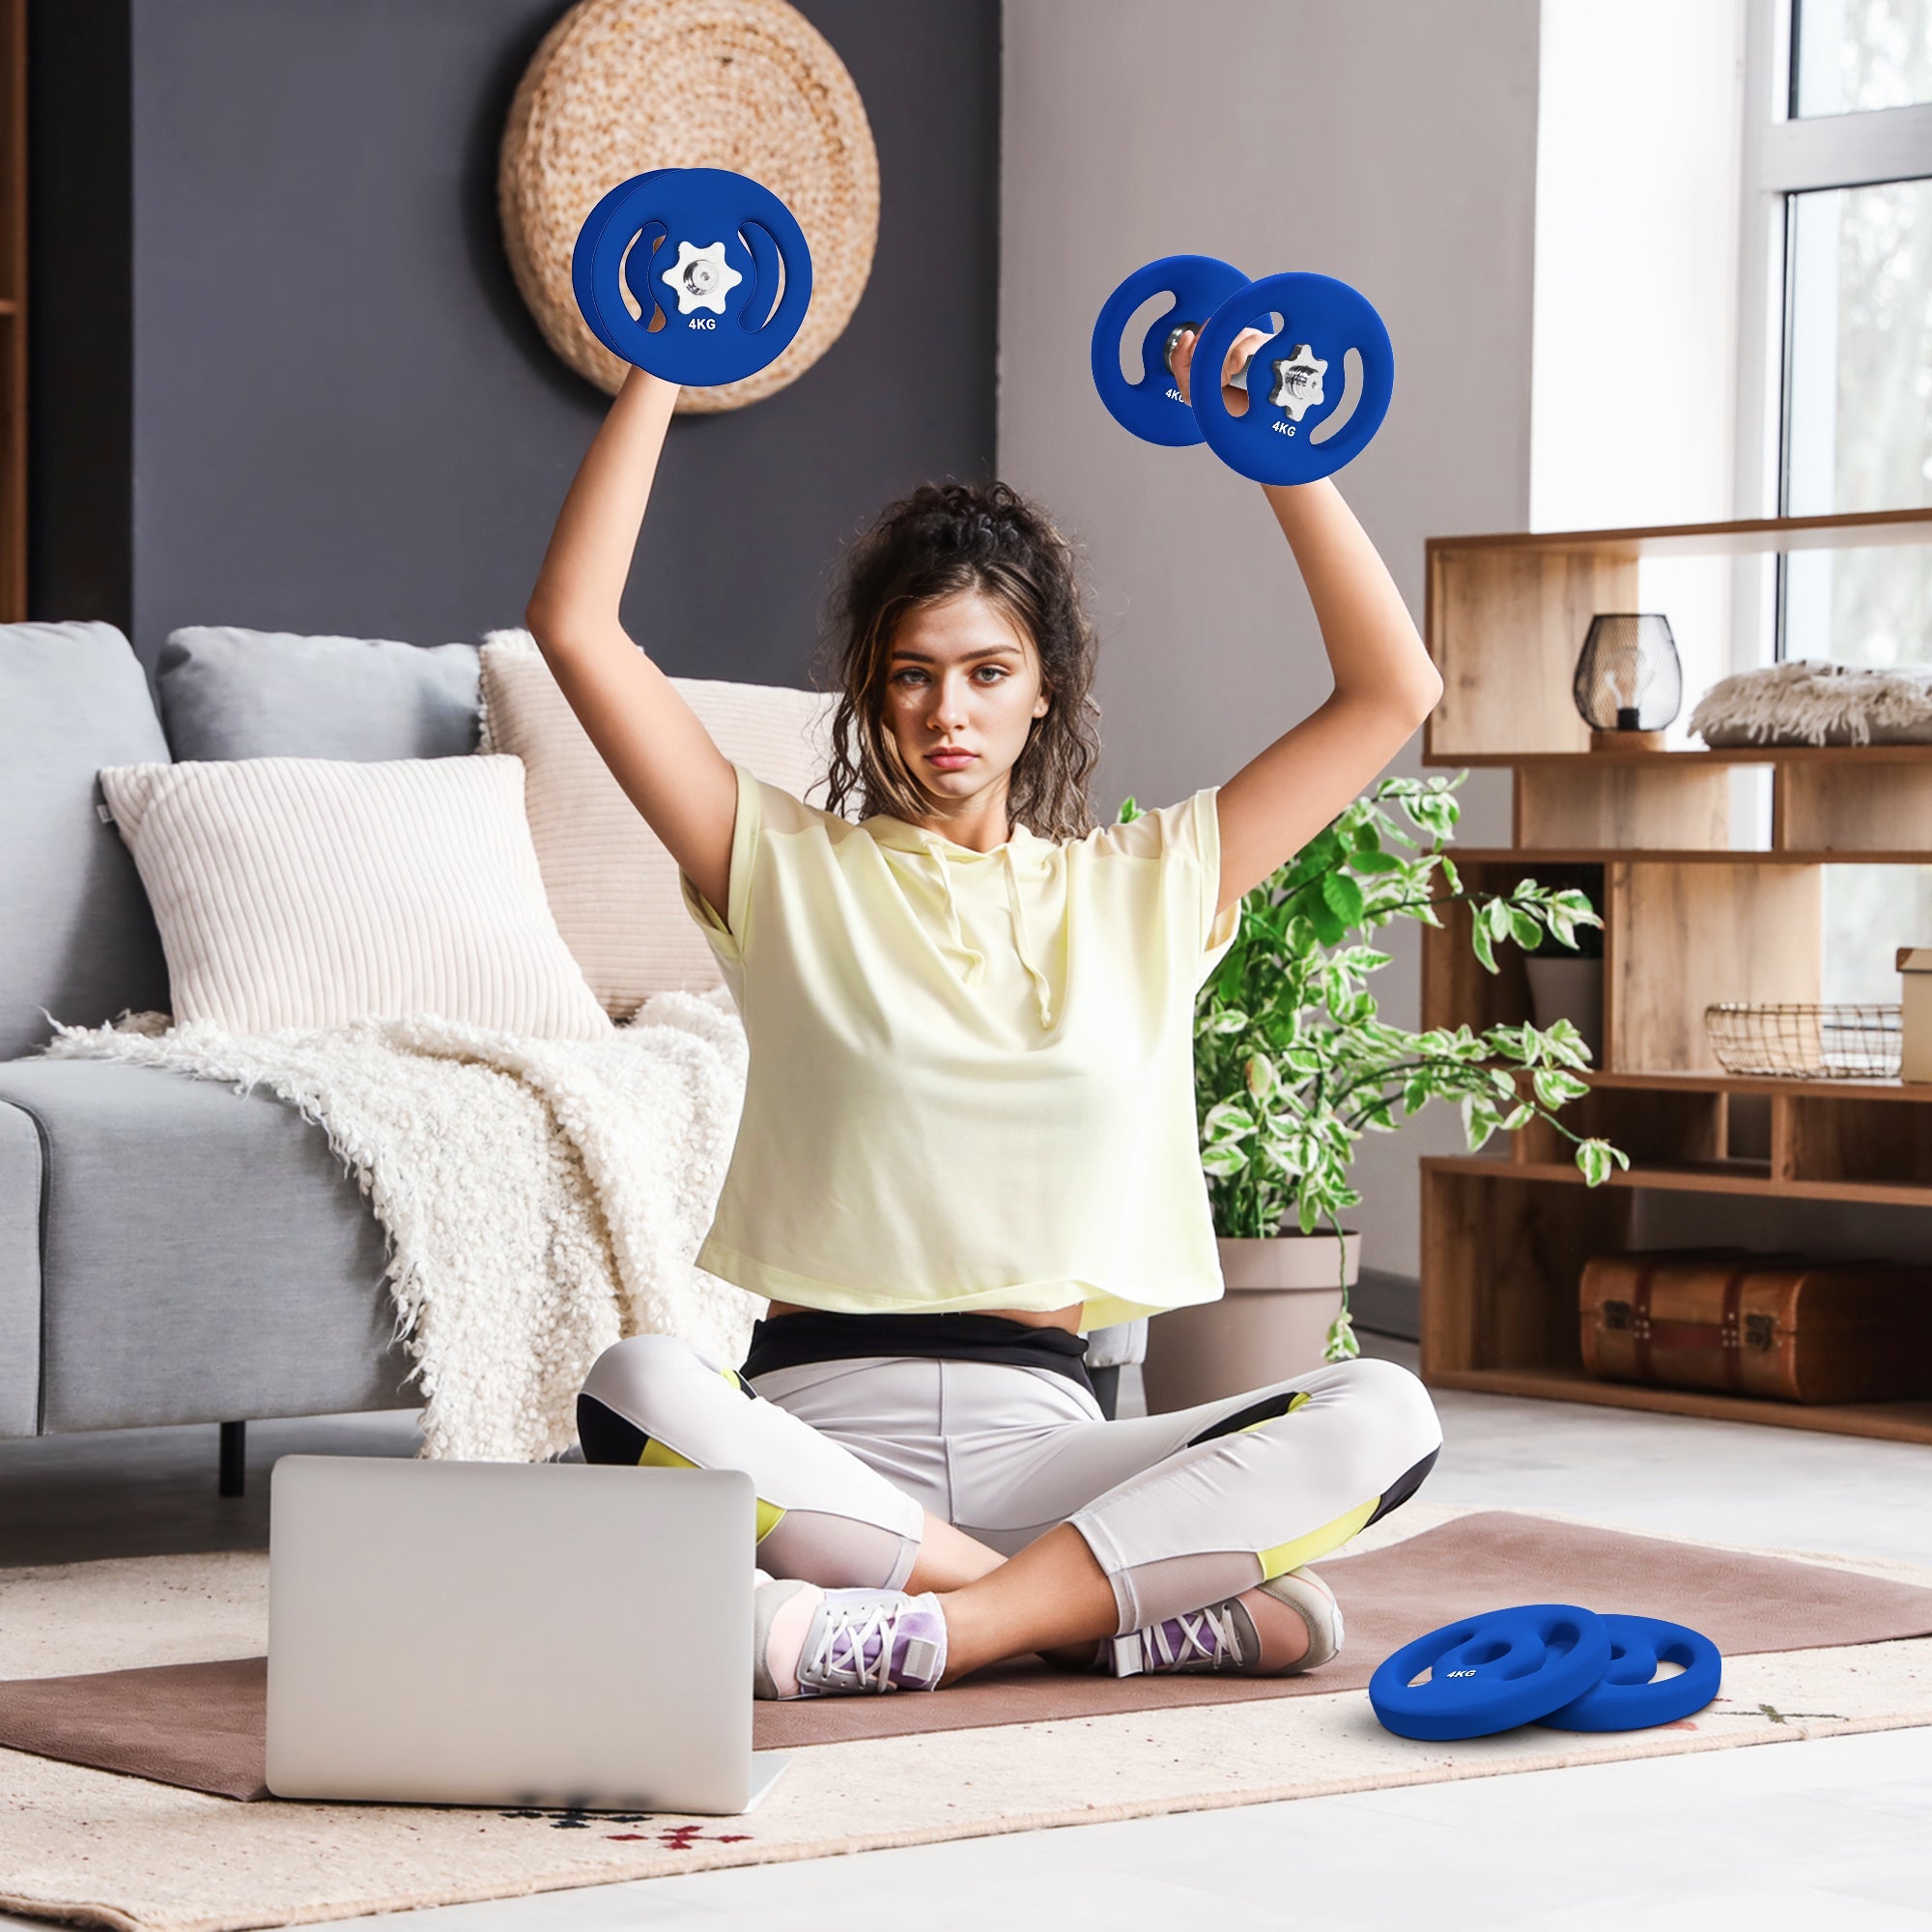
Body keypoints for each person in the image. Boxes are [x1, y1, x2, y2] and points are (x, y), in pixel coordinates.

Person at [525, 324, 1445, 1701]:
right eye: (911, 673)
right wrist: (662, 365)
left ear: (1042, 692)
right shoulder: (774, 865)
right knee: (633, 1381)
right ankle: (1094, 1617)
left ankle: (938, 1629)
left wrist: (1272, 448)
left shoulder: (1152, 884)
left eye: (986, 672)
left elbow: (1395, 691)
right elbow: (576, 629)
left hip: (1057, 1447)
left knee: (1385, 1405)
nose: (946, 712)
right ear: (872, 692)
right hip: (819, 1445)